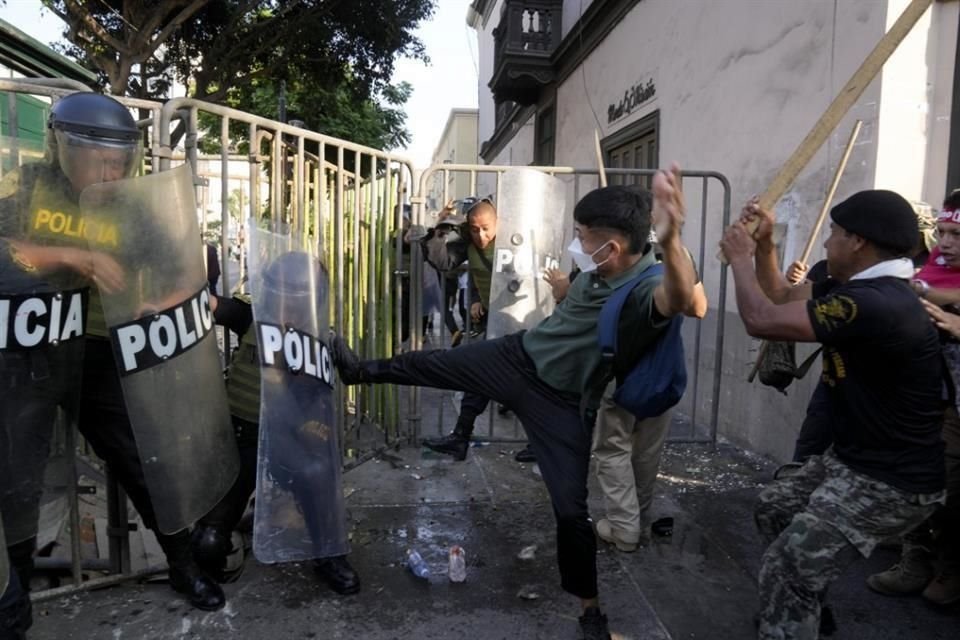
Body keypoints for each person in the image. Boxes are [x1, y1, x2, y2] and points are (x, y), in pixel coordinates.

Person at [330, 169, 695, 640]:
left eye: (583, 237)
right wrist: (565, 287)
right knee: (440, 363)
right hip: (518, 357)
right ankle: (360, 371)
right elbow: (578, 306)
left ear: (615, 247)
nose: (576, 242)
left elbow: (682, 297)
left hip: (561, 404)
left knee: (571, 512)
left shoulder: (647, 283)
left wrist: (672, 232)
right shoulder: (598, 269)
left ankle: (591, 613)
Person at [0, 92, 226, 614]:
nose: (111, 169)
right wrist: (69, 255)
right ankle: (14, 594)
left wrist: (156, 302)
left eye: (120, 158)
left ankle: (183, 562)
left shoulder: (132, 202)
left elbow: (185, 268)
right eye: (98, 156)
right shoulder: (27, 187)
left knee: (140, 453)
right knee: (18, 474)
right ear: (62, 147)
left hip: (99, 350)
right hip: (28, 352)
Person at [719, 190, 947, 640]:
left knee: (787, 567)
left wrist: (741, 260)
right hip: (853, 460)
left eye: (834, 234)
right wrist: (764, 247)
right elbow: (782, 295)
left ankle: (790, 614)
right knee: (774, 508)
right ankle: (805, 615)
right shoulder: (858, 288)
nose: (826, 244)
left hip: (893, 482)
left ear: (857, 241)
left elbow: (763, 319)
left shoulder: (881, 303)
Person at [191, 275, 360, 595]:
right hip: (241, 438)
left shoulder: (322, 335)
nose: (287, 308)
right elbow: (211, 305)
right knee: (208, 544)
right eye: (281, 297)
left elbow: (355, 373)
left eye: (296, 299)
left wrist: (336, 347)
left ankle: (328, 555)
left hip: (291, 438)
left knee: (318, 476)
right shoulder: (251, 317)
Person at [865, 188, 960, 605]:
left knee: (951, 486)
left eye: (956, 235)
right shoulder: (927, 275)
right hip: (928, 398)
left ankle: (950, 567)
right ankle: (916, 557)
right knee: (918, 474)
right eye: (942, 232)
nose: (946, 243)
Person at [418, 198, 535, 463]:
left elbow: (525, 278)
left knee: (531, 384)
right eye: (474, 229)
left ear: (499, 224)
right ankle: (461, 437)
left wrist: (490, 297)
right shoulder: (469, 244)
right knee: (479, 377)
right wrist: (438, 233)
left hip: (523, 321)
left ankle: (539, 442)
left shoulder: (514, 241)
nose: (480, 235)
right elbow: (446, 263)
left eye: (486, 228)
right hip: (493, 323)